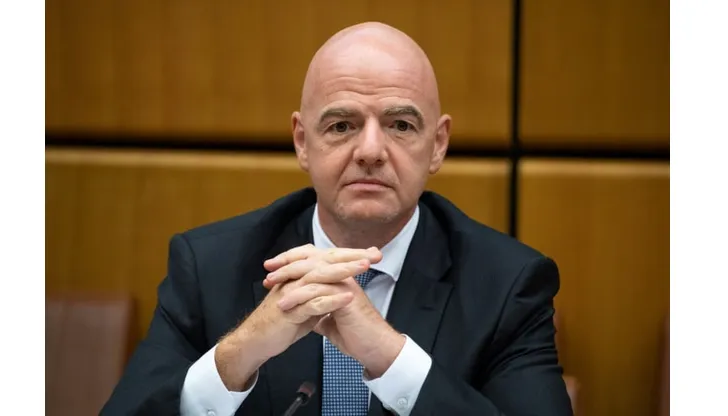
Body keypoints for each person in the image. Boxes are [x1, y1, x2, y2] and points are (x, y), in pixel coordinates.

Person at [101, 22, 573, 416]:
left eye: (401, 125)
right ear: (302, 141)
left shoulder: (507, 285)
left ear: (438, 144)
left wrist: (391, 359)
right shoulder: (209, 267)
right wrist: (238, 355)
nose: (370, 151)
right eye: (342, 125)